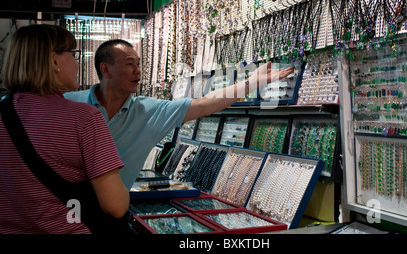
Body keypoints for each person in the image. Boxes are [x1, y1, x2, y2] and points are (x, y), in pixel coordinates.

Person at [64, 39, 295, 189]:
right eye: (129, 64)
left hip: (111, 216)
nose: (138, 71)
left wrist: (251, 83)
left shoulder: (149, 111)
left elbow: (204, 104)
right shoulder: (68, 104)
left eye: (139, 63)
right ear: (105, 69)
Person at [0, 25, 129, 234]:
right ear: (54, 60)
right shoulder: (84, 118)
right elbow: (115, 206)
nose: (78, 63)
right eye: (73, 54)